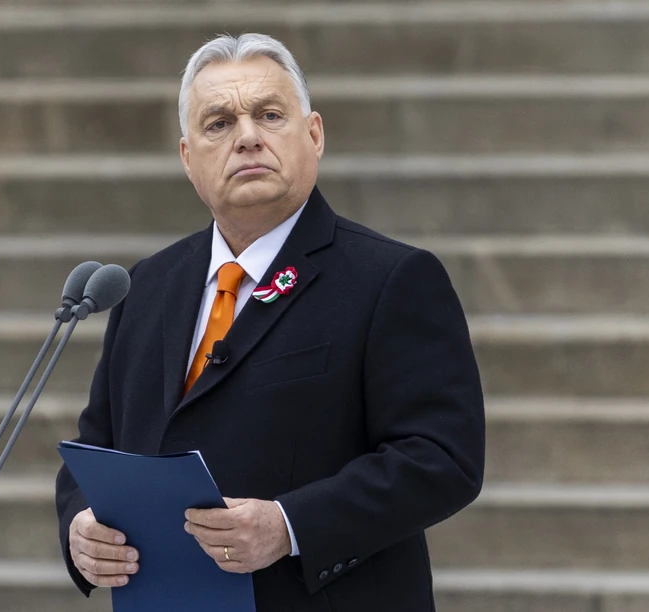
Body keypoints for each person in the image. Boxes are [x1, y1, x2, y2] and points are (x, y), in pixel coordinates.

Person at [55, 32, 485, 611]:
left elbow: (442, 458)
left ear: (314, 135)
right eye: (218, 124)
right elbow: (96, 448)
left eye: (269, 115)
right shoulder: (147, 286)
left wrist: (289, 525)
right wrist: (80, 527)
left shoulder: (390, 278)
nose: (247, 137)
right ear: (188, 158)